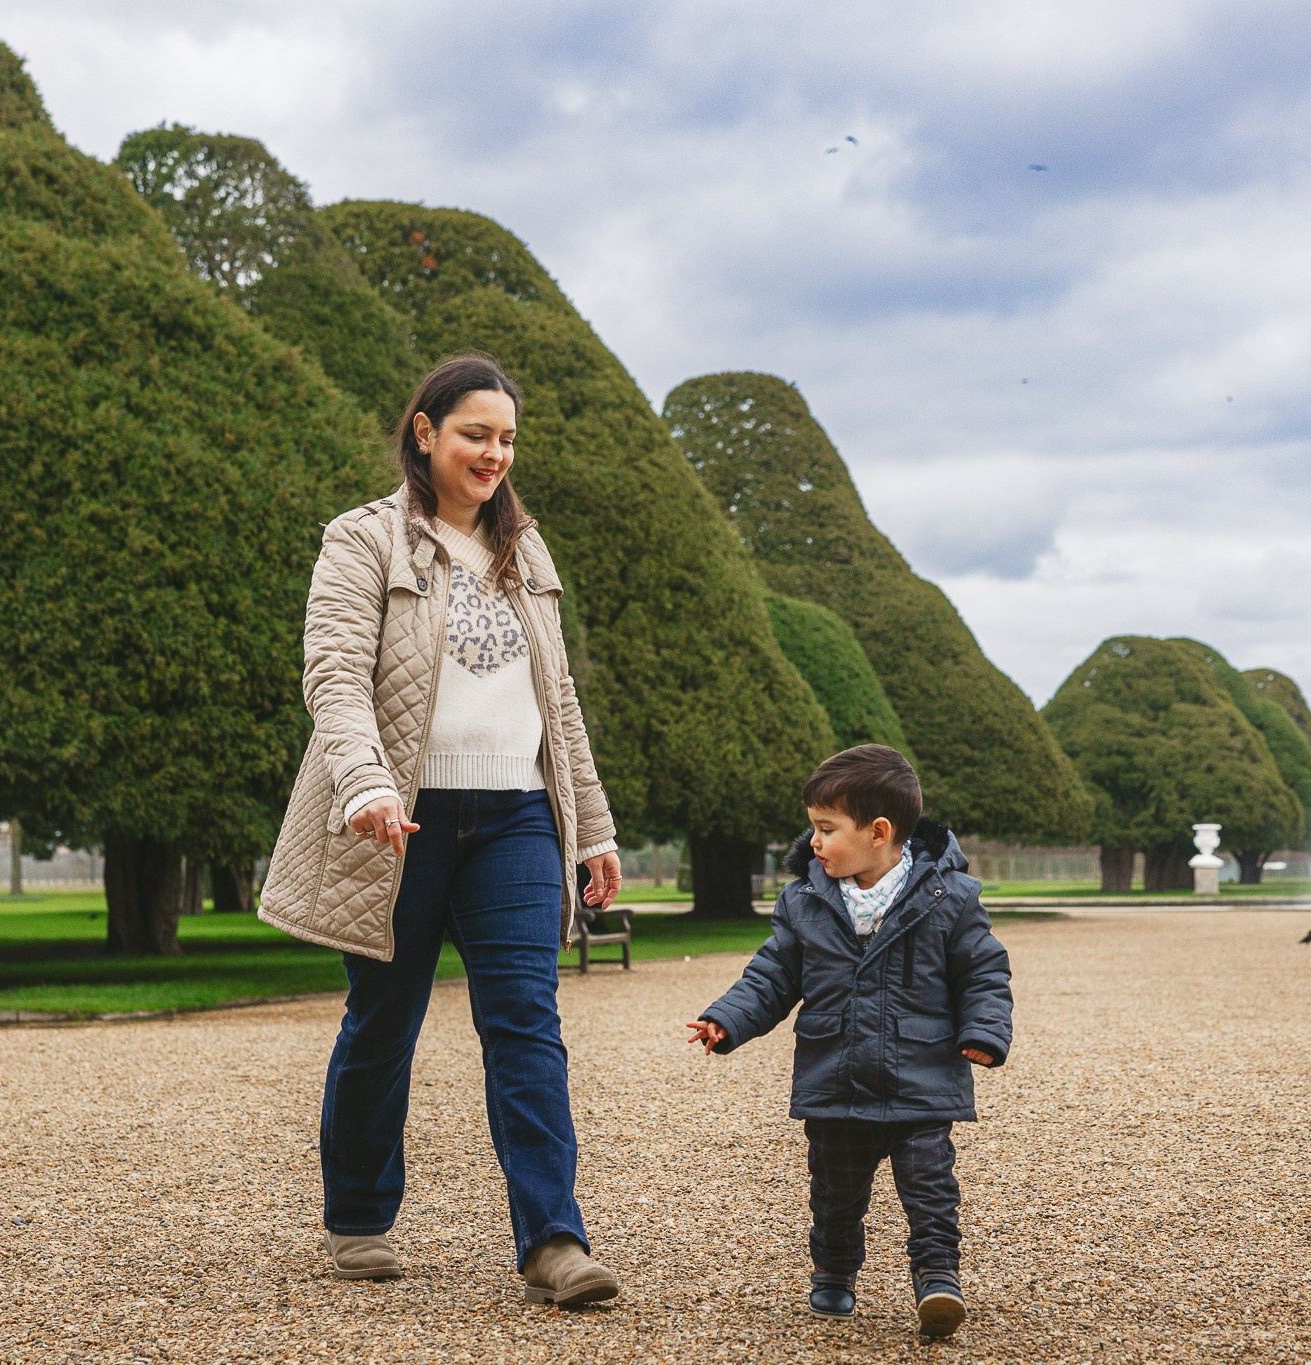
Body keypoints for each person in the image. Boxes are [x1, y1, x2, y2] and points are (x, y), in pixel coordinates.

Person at [258, 353, 625, 1306]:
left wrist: (591, 827)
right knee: (383, 1023)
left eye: (506, 438)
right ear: (425, 432)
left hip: (515, 820)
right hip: (399, 821)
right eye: (476, 434)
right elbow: (332, 674)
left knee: (526, 1024)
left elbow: (562, 704)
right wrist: (366, 783)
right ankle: (361, 1217)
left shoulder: (527, 552)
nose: (494, 453)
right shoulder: (361, 539)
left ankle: (553, 1239)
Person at [686, 745, 1012, 1339]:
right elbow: (771, 976)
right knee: (835, 1195)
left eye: (826, 828)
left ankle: (937, 1281)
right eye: (813, 827)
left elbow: (984, 973)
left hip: (923, 1079)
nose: (813, 841)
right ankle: (834, 1274)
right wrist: (728, 1019)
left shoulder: (950, 899)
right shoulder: (804, 902)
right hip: (835, 1079)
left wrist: (985, 1031)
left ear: (878, 832)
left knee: (931, 1190)